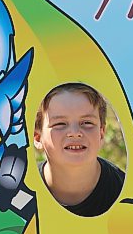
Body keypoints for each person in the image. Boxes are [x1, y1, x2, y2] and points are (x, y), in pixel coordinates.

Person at [34, 83, 125, 217]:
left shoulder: (124, 192)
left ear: (101, 133)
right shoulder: (17, 195)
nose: (75, 133)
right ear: (37, 137)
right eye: (60, 124)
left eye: (87, 123)